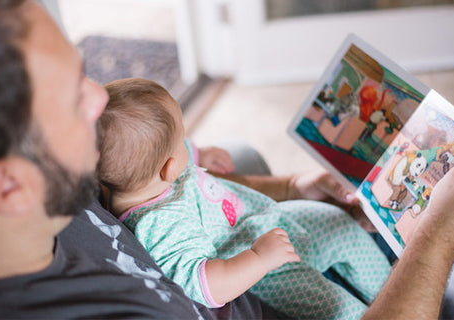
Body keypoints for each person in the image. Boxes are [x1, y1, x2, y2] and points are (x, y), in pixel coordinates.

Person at [0, 1, 454, 319]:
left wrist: (291, 185)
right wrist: (439, 239)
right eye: (73, 100)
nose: (99, 96)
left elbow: (192, 188)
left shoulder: (71, 173)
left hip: (272, 229)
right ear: (9, 186)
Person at [97, 77, 392, 319]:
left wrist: (200, 153)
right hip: (267, 270)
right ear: (169, 167)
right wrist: (259, 258)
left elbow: (167, 151)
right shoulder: (160, 224)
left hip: (266, 218)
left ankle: (391, 291)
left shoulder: (145, 176)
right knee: (341, 311)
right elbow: (206, 284)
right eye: (182, 139)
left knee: (338, 222)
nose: (187, 143)